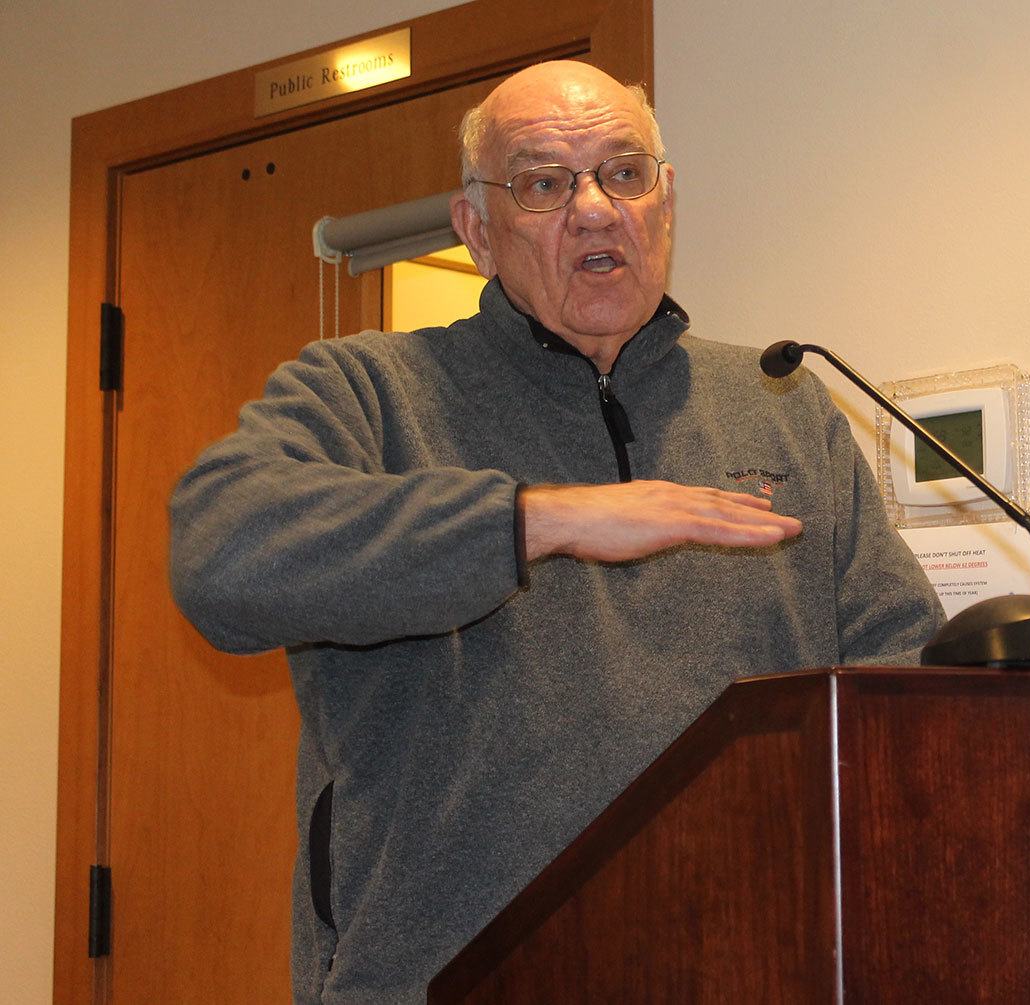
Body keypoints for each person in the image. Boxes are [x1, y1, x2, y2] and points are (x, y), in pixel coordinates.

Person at [169, 60, 943, 1003]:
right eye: (542, 183)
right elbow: (223, 552)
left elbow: (895, 676)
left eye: (624, 173)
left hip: (750, 967)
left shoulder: (782, 403)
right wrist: (534, 516)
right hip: (441, 978)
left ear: (665, 200)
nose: (592, 210)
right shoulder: (369, 393)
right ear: (476, 232)